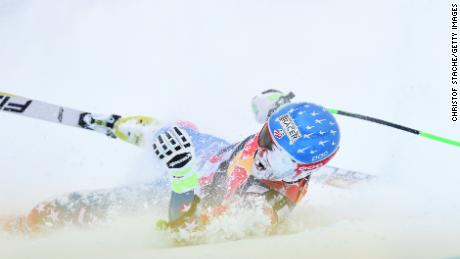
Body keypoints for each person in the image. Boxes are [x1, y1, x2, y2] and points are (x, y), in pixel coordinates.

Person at [2, 90, 340, 235]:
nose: (262, 149)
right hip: (214, 155)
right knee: (168, 127)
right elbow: (271, 121)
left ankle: (18, 229)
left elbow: (185, 234)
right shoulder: (281, 148)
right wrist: (273, 105)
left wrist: (181, 175)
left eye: (275, 151)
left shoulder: (261, 208)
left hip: (189, 192)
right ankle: (138, 132)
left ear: (300, 169)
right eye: (266, 135)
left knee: (69, 208)